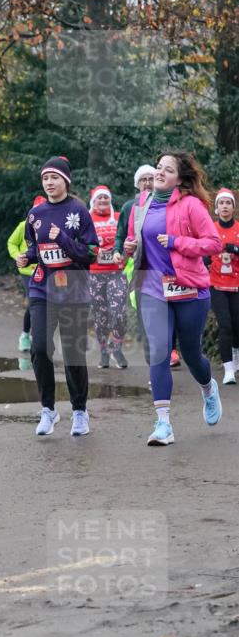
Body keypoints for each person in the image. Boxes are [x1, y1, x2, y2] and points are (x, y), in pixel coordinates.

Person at [124, 151, 222, 445]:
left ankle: (208, 388)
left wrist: (179, 242)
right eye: (158, 167)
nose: (159, 172)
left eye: (167, 169)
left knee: (191, 354)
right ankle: (163, 424)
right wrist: (131, 247)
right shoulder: (141, 203)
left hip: (189, 288)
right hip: (152, 288)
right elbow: (135, 240)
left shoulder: (191, 205)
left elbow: (213, 243)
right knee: (159, 351)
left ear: (180, 178)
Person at [16, 156, 99, 437]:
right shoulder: (35, 214)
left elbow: (91, 254)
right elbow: (34, 248)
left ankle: (79, 411)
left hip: (73, 289)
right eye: (45, 179)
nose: (49, 183)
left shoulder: (79, 211)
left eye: (54, 178)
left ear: (66, 180)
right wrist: (26, 256)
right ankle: (48, 410)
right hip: (42, 287)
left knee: (73, 352)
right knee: (39, 348)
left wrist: (63, 238)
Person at [114, 163, 179, 369]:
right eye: (143, 180)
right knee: (147, 316)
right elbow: (121, 235)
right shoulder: (129, 207)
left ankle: (170, 350)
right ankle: (153, 362)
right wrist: (119, 251)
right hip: (139, 269)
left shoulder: (168, 204)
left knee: (170, 310)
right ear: (137, 184)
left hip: (166, 269)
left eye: (151, 179)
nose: (147, 183)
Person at [88, 185, 128, 368]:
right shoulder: (86, 219)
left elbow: (129, 238)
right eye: (99, 198)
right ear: (93, 202)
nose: (103, 201)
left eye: (106, 198)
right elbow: (79, 242)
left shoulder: (119, 217)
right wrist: (95, 250)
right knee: (101, 317)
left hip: (116, 272)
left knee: (119, 312)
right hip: (95, 274)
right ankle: (104, 351)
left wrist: (122, 249)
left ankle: (117, 347)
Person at [6, 195, 45, 365]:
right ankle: (25, 335)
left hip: (46, 270)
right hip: (28, 271)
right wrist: (18, 256)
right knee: (32, 302)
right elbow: (11, 243)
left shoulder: (52, 225)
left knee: (45, 303)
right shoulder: (23, 226)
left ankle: (40, 337)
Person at [209, 187, 239, 384]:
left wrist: (235, 249)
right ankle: (228, 370)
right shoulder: (210, 228)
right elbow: (202, 252)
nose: (225, 206)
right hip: (217, 284)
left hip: (236, 284)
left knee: (237, 325)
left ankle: (236, 361)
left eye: (228, 203)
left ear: (233, 208)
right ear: (217, 208)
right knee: (225, 325)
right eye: (222, 203)